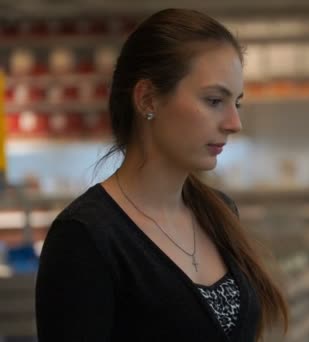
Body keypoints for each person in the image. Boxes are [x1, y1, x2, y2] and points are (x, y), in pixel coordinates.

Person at [35, 8, 288, 342]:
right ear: (147, 98)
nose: (233, 123)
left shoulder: (219, 212)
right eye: (214, 100)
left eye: (236, 103)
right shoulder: (86, 237)